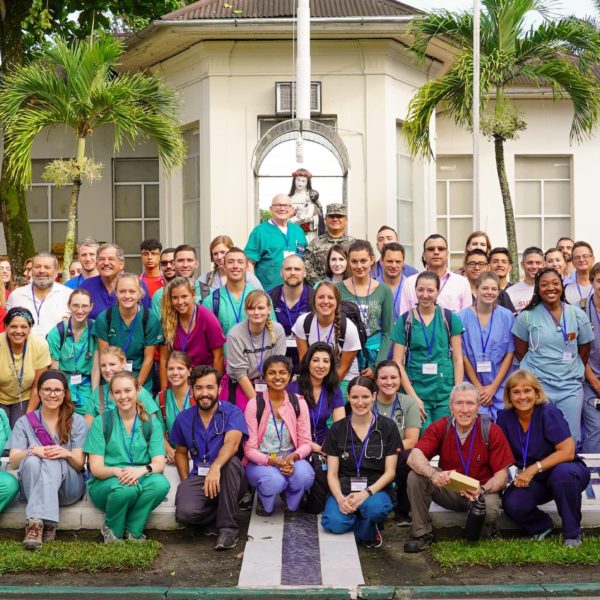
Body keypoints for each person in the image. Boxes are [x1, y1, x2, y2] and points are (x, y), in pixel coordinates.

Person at [403, 383, 514, 552]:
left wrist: (481, 490)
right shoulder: (441, 426)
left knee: (489, 510)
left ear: (478, 406)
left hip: (480, 490)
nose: (464, 409)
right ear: (450, 406)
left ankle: (488, 529)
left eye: (470, 403)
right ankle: (422, 533)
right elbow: (414, 456)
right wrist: (433, 475)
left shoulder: (491, 430)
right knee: (415, 476)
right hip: (450, 488)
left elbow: (501, 475)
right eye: (459, 403)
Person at [498, 370, 590, 547]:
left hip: (567, 471)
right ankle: (542, 526)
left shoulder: (548, 412)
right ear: (509, 395)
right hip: (536, 479)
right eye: (516, 392)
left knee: (563, 475)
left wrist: (532, 469)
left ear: (537, 392)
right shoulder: (504, 418)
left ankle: (572, 534)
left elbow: (567, 451)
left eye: (527, 390)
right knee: (512, 503)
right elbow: (500, 453)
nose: (522, 396)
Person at [85, 370, 170, 543]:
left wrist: (140, 471)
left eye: (127, 390)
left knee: (160, 484)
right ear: (111, 394)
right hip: (107, 481)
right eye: (117, 392)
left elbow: (159, 463)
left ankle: (132, 529)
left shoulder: (151, 423)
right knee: (126, 488)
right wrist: (118, 472)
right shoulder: (101, 422)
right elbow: (96, 468)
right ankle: (112, 530)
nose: (123, 396)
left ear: (138, 390)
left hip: (138, 476)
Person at [512, 268, 593, 444]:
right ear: (537, 289)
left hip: (569, 387)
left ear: (562, 287)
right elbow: (521, 350)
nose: (551, 288)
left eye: (555, 283)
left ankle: (567, 472)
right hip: (538, 387)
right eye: (545, 284)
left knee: (571, 438)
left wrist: (570, 368)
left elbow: (585, 349)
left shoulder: (577, 314)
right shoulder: (526, 317)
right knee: (539, 437)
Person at [8, 370, 87, 550]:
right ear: (40, 392)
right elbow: (13, 462)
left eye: (57, 390)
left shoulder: (77, 421)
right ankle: (44, 523)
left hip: (68, 488)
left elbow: (79, 464)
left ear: (65, 393)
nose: (52, 394)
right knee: (33, 460)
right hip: (34, 485)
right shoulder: (25, 422)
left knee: (52, 458)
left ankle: (35, 524)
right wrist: (34, 451)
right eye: (47, 389)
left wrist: (64, 452)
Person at [172, 365, 248, 550]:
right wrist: (185, 481)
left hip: (229, 477)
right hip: (199, 476)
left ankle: (228, 530)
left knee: (231, 464)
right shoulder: (183, 418)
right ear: (192, 390)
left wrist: (215, 468)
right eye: (199, 388)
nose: (204, 393)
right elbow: (180, 452)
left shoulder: (232, 412)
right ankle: (221, 511)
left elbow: (232, 444)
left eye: (209, 387)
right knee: (185, 513)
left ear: (219, 389)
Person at [321, 376, 400, 548]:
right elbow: (332, 473)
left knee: (374, 510)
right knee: (332, 523)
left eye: (365, 396)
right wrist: (341, 499)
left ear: (373, 396)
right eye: (355, 397)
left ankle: (367, 521)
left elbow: (390, 472)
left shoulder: (388, 427)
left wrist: (365, 494)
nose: (360, 402)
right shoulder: (338, 428)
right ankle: (359, 517)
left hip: (374, 489)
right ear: (348, 397)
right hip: (345, 489)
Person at [392, 271, 465, 430]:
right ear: (415, 290)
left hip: (444, 391)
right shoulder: (405, 321)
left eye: (430, 290)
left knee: (446, 436)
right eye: (420, 290)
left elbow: (458, 359)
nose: (425, 295)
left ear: (438, 291)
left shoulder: (449, 318)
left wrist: (456, 395)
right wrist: (413, 398)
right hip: (417, 390)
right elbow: (397, 362)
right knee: (425, 437)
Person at [244, 355, 314, 516]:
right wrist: (271, 461)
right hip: (262, 461)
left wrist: (294, 457)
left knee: (305, 475)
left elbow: (306, 442)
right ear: (264, 377)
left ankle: (291, 501)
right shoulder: (255, 404)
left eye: (282, 372)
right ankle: (264, 499)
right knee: (274, 481)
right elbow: (249, 449)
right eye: (272, 373)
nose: (277, 377)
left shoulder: (298, 402)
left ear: (289, 375)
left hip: (290, 457)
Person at [287, 342, 345, 513]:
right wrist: (314, 447)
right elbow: (289, 426)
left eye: (326, 361)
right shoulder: (293, 389)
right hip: (296, 443)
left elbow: (339, 425)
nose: (321, 366)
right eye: (316, 360)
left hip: (324, 441)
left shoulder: (333, 389)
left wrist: (328, 446)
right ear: (308, 363)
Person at [459, 272, 515, 420]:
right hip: (472, 384)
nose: (489, 292)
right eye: (485, 288)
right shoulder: (461, 318)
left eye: (493, 289)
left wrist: (493, 387)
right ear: (476, 290)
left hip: (500, 384)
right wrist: (478, 387)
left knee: (502, 429)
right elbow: (462, 355)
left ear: (498, 291)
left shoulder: (507, 316)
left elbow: (510, 353)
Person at [93, 273, 163, 392]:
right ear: (116, 293)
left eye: (132, 291)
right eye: (122, 291)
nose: (127, 296)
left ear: (139, 293)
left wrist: (135, 388)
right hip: (112, 379)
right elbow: (105, 358)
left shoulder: (149, 319)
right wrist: (117, 388)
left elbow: (148, 359)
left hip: (140, 380)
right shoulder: (105, 318)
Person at [221, 290, 286, 412]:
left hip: (268, 383)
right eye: (251, 308)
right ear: (246, 311)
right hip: (241, 385)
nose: (256, 312)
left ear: (269, 309)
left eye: (261, 308)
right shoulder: (235, 335)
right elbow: (240, 375)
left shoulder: (278, 330)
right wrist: (258, 404)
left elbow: (278, 365)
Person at [293, 281, 361, 395]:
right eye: (321, 297)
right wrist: (313, 386)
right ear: (314, 301)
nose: (325, 301)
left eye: (330, 298)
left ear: (337, 302)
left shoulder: (349, 328)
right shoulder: (303, 322)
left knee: (327, 410)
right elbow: (304, 361)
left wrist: (323, 390)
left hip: (342, 377)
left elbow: (344, 369)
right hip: (313, 374)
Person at [374, 360, 421, 526]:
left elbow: (412, 440)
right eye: (383, 378)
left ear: (400, 380)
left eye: (393, 377)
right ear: (376, 380)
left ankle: (402, 512)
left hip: (398, 452)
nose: (389, 382)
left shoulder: (409, 403)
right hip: (370, 453)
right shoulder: (367, 400)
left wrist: (387, 448)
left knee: (410, 459)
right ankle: (375, 511)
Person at [337, 240, 394, 376]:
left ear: (372, 260)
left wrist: (377, 366)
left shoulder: (384, 290)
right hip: (348, 355)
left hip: (376, 354)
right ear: (348, 262)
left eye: (363, 261)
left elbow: (388, 332)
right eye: (354, 261)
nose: (359, 266)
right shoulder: (338, 289)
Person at [159, 277, 225, 388]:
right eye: (175, 298)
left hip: (203, 379)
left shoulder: (207, 318)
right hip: (177, 379)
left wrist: (214, 386)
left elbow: (218, 356)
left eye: (184, 296)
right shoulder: (167, 320)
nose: (180, 302)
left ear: (193, 294)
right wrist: (164, 391)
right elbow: (163, 358)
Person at [46, 289, 100, 415]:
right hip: (64, 385)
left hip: (86, 386)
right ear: (69, 305)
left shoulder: (96, 329)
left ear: (91, 307)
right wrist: (59, 392)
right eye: (75, 305)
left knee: (87, 425)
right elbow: (55, 369)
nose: (80, 310)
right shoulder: (57, 333)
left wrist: (94, 397)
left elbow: (96, 368)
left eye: (85, 306)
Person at [244, 194, 307, 291]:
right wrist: (255, 291)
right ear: (270, 208)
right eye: (278, 205)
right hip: (268, 292)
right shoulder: (260, 231)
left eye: (286, 205)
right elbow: (249, 263)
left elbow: (304, 258)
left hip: (296, 292)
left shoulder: (298, 231)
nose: (282, 208)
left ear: (292, 209)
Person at [0, 308, 51, 427]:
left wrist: (28, 419)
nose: (18, 331)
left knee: (20, 431)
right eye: (13, 326)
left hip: (24, 397)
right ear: (6, 326)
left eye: (24, 327)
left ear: (30, 328)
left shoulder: (40, 345)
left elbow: (37, 387)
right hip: (1, 397)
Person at [203, 248, 270, 336]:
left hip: (256, 349)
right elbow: (206, 337)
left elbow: (271, 331)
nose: (235, 266)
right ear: (224, 266)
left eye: (240, 262)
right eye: (230, 262)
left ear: (246, 267)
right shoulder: (211, 301)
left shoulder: (262, 298)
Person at [84, 346, 160, 424]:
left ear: (123, 363)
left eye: (112, 364)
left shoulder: (139, 392)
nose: (107, 369)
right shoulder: (98, 393)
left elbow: (153, 426)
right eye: (103, 365)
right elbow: (87, 427)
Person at [399, 234, 472, 315]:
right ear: (424, 255)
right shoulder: (410, 283)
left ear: (447, 254)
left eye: (441, 249)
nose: (436, 252)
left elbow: (467, 319)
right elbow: (404, 319)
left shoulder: (462, 283)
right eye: (431, 249)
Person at [6, 252, 71, 338]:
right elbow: (7, 327)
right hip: (24, 350)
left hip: (57, 350)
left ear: (56, 272)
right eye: (37, 267)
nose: (41, 271)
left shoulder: (69, 295)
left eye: (47, 267)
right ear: (31, 271)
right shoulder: (16, 295)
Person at [269, 254, 314, 374]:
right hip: (276, 361)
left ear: (304, 273)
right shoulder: (269, 298)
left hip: (306, 362)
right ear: (281, 272)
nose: (292, 273)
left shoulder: (314, 299)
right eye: (288, 269)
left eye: (297, 269)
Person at [82, 244, 151, 320]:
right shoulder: (86, 286)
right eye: (101, 259)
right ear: (97, 263)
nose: (106, 263)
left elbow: (147, 317)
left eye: (111, 259)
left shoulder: (137, 285)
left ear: (121, 264)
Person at [152, 244, 210, 319]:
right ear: (174, 264)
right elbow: (158, 328)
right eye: (180, 260)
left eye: (189, 260)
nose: (185, 265)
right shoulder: (160, 295)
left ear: (196, 264)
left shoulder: (209, 293)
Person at [304, 203, 354, 286]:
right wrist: (320, 285)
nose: (335, 219)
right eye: (331, 216)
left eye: (339, 216)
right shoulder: (315, 244)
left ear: (346, 220)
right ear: (325, 219)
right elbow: (307, 267)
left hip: (350, 291)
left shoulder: (354, 244)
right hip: (322, 294)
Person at [157, 351, 194, 462]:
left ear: (189, 371)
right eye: (170, 369)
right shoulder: (161, 398)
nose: (175, 372)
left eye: (180, 368)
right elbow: (158, 433)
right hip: (172, 455)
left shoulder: (198, 395)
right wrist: (168, 450)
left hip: (197, 455)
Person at [583, 262, 600, 452]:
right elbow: (579, 353)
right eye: (599, 281)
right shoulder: (579, 310)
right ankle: (591, 477)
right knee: (595, 429)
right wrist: (595, 382)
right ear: (592, 282)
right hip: (589, 380)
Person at [288, 168, 324, 243]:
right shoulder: (289, 198)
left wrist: (309, 219)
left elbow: (320, 214)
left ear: (307, 182)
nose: (300, 183)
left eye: (303, 181)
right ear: (294, 180)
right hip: (292, 231)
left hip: (309, 232)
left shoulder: (311, 196)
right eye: (298, 180)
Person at [506, 246, 545, 313]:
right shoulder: (510, 292)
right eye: (530, 263)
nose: (534, 266)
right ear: (522, 265)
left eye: (538, 263)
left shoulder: (550, 290)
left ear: (544, 265)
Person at [379, 242, 409, 321]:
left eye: (398, 262)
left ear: (403, 262)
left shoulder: (410, 286)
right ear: (381, 261)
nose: (393, 266)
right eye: (389, 261)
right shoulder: (372, 286)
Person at [565, 241, 594, 307]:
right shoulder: (565, 289)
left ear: (593, 259)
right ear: (572, 261)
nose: (581, 260)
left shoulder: (598, 285)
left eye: (585, 256)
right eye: (577, 257)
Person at [488, 247, 515, 312]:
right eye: (495, 261)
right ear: (489, 266)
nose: (500, 265)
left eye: (504, 262)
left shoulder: (515, 291)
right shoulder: (484, 291)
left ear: (510, 267)